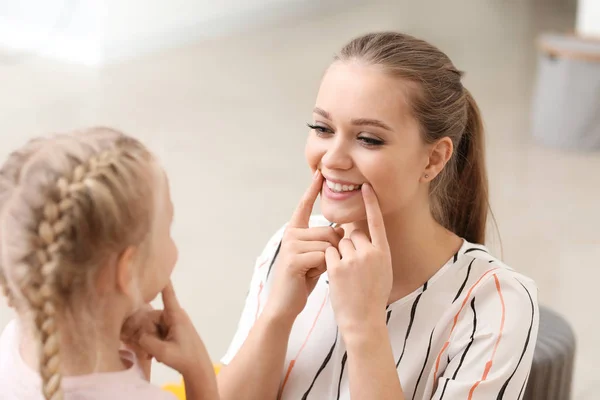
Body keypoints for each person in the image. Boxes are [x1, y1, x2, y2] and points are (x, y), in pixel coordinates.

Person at [135, 31, 540, 399]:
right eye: (322, 128)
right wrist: (279, 313)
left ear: (434, 158)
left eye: (368, 138)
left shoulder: (496, 305)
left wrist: (365, 328)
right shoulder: (288, 249)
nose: (331, 158)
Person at [0, 128, 218, 400]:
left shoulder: (12, 345)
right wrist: (199, 372)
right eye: (167, 229)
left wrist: (137, 357)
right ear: (127, 270)